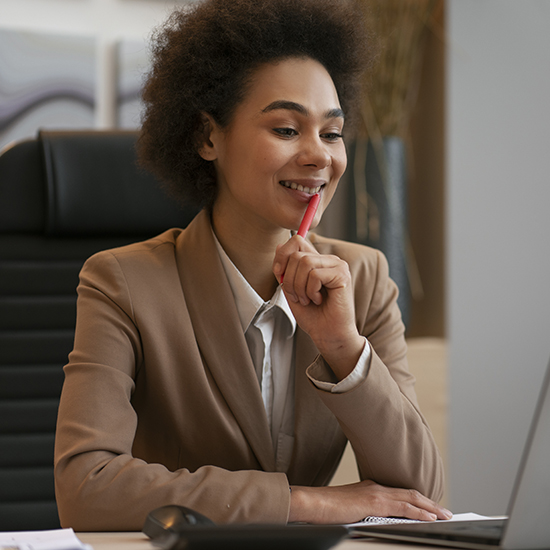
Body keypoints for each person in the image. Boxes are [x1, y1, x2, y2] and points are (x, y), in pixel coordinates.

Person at [54, 0, 449, 531]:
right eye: (287, 129)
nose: (319, 157)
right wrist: (304, 503)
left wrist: (342, 349)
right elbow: (87, 487)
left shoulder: (365, 277)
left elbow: (419, 495)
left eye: (331, 133)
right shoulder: (122, 282)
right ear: (208, 137)